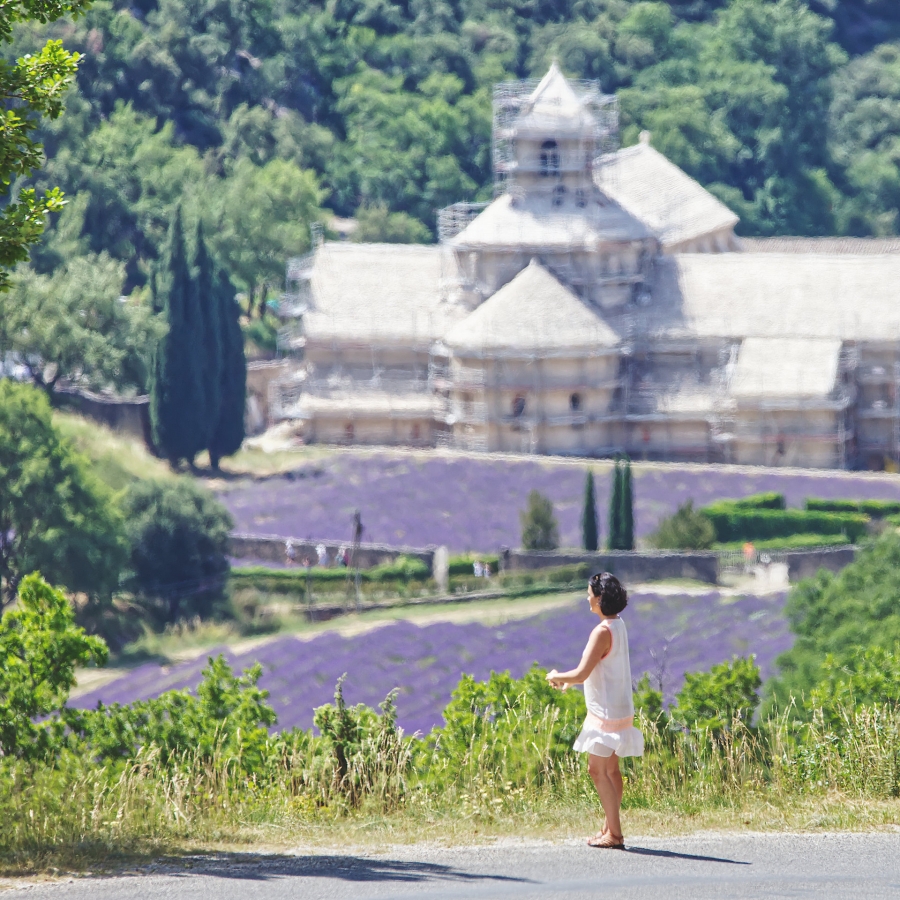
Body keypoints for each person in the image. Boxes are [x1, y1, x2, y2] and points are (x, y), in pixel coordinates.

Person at [546, 572, 644, 850]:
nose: (587, 598)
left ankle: (615, 834)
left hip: (605, 714)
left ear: (600, 598)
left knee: (597, 770)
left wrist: (556, 676)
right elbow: (597, 668)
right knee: (611, 771)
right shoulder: (618, 625)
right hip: (620, 708)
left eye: (589, 594)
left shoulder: (601, 631)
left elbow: (581, 672)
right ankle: (609, 827)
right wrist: (570, 681)